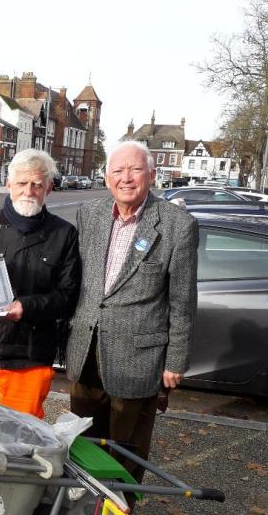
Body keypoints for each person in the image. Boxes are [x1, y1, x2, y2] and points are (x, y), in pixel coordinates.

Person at [65, 140, 198, 490]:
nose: (126, 178)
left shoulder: (177, 225)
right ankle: (78, 511)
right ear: (107, 177)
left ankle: (119, 514)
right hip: (86, 350)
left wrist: (176, 362)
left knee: (127, 448)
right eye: (118, 170)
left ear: (151, 175)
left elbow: (183, 301)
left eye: (135, 169)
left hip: (139, 358)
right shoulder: (89, 214)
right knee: (81, 441)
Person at [0, 149, 81, 418]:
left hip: (30, 358)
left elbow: (68, 297)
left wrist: (27, 307)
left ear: (49, 189)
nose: (28, 191)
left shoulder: (64, 235)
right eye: (22, 183)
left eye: (37, 184)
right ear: (9, 184)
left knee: (22, 437)